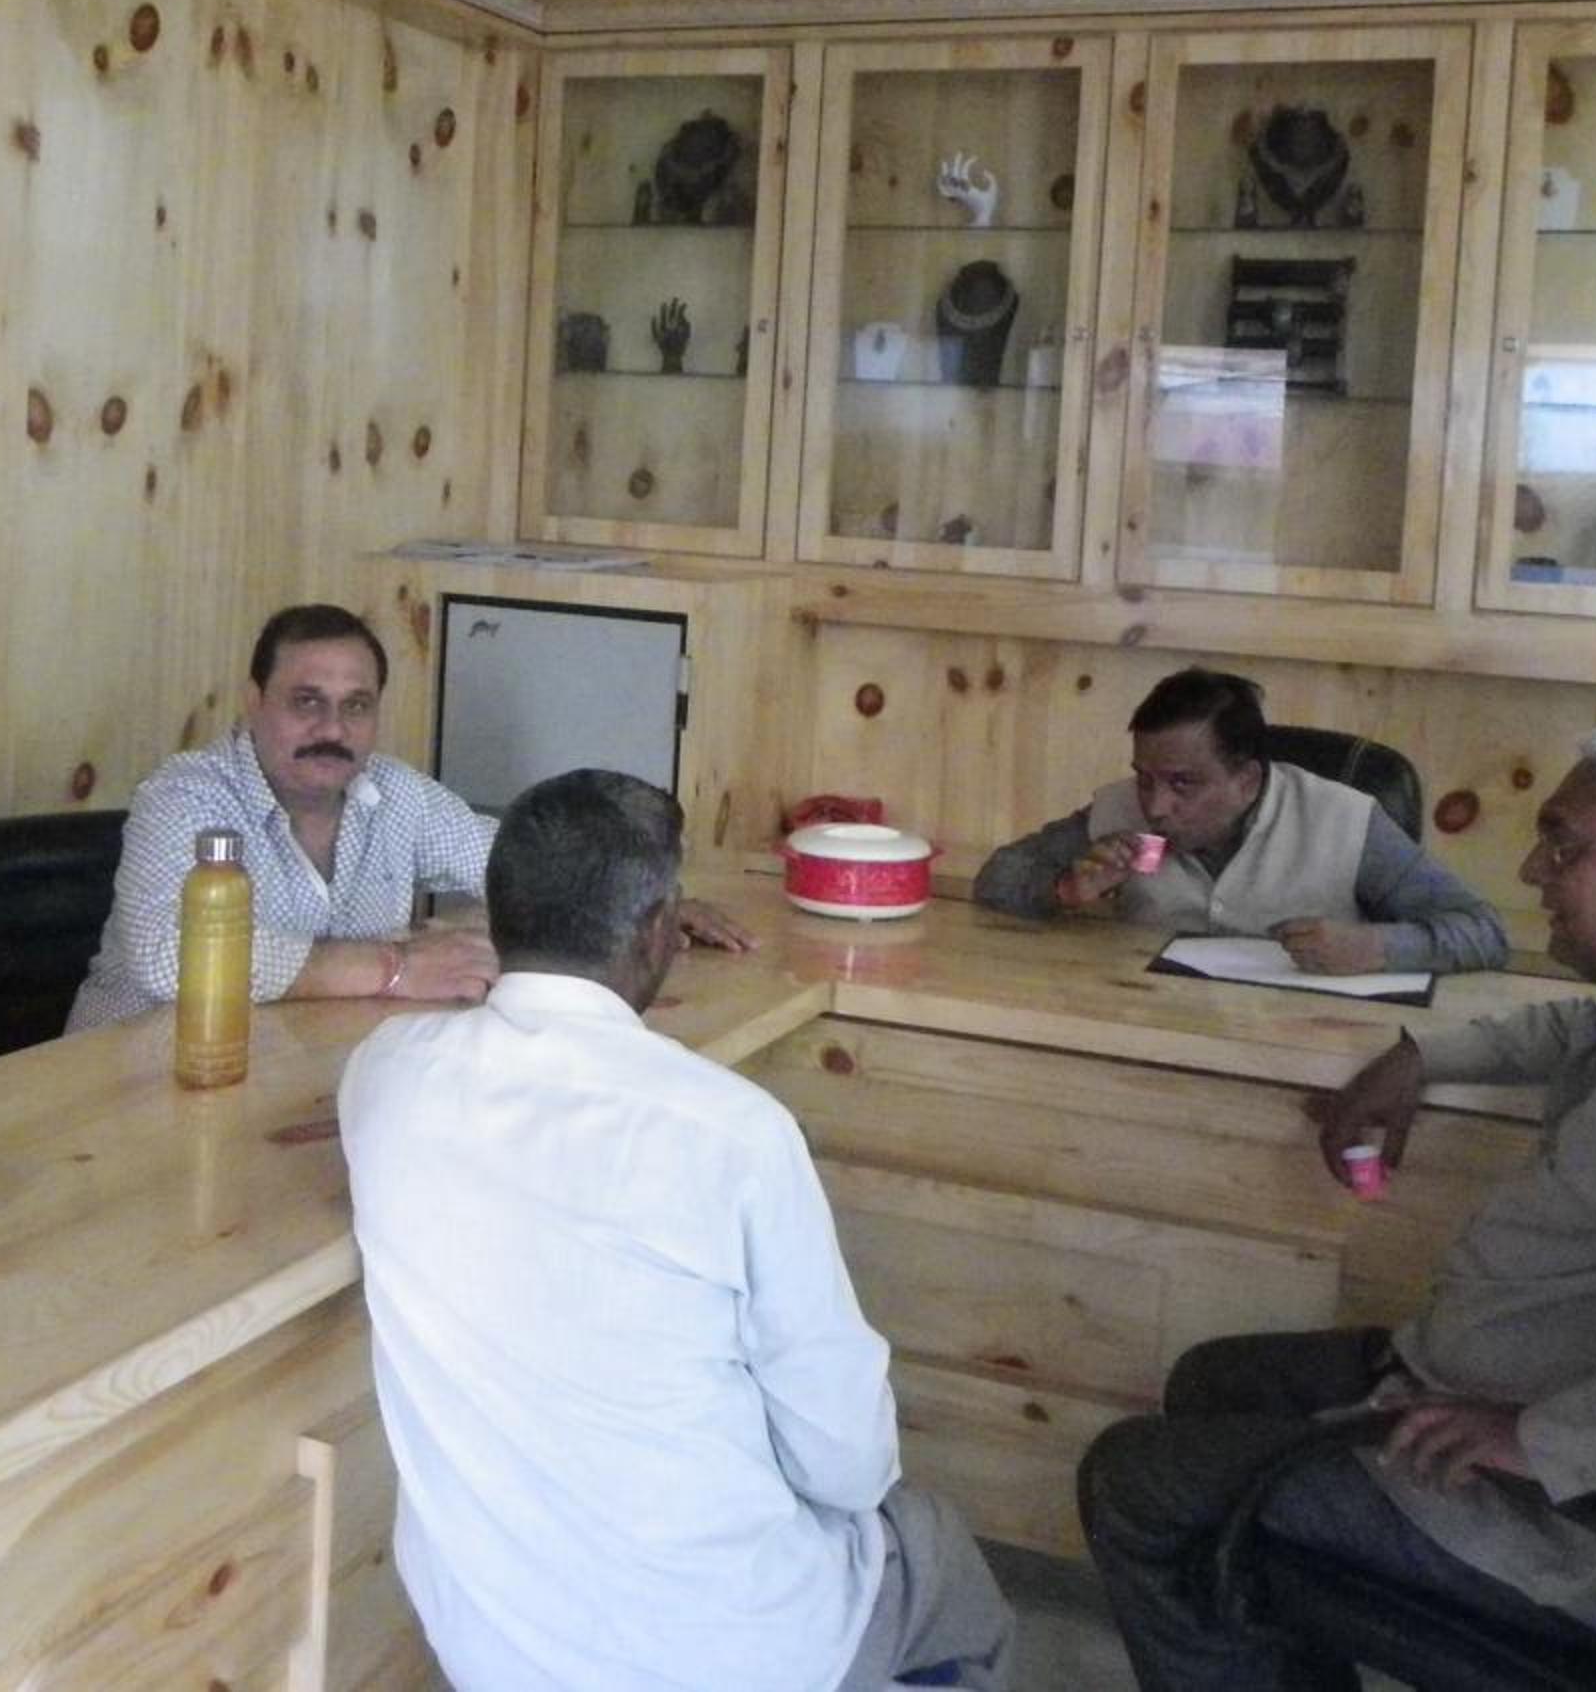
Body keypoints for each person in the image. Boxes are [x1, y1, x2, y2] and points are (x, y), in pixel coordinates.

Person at [1076, 725, 1596, 1689]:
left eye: (1564, 844)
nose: (1535, 870)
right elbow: (1579, 1029)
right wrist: (1422, 1057)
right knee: (1215, 1380)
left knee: (1134, 1479)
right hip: (1513, 1405)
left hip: (1555, 1518)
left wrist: (1537, 1441)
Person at [340, 770, 1014, 1692]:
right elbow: (849, 1466)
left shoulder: (383, 1076)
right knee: (939, 1555)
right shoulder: (732, 1132)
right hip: (736, 1652)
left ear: (498, 918)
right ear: (659, 927)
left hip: (492, 1657)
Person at [67, 603, 750, 1028]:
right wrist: (394, 969)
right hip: (124, 1086)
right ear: (254, 702)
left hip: (291, 1071)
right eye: (307, 702)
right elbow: (171, 956)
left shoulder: (393, 794)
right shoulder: (185, 796)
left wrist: (637, 898)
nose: (332, 729)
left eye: (356, 706)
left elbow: (523, 865)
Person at [971, 666, 1508, 975]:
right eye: (1145, 778)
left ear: (1247, 780)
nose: (1156, 805)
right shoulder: (1120, 811)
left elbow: (1483, 932)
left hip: (1307, 1048)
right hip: (1150, 1029)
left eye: (1183, 784)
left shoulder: (1344, 820)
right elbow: (997, 876)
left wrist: (1377, 948)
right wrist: (1063, 889)